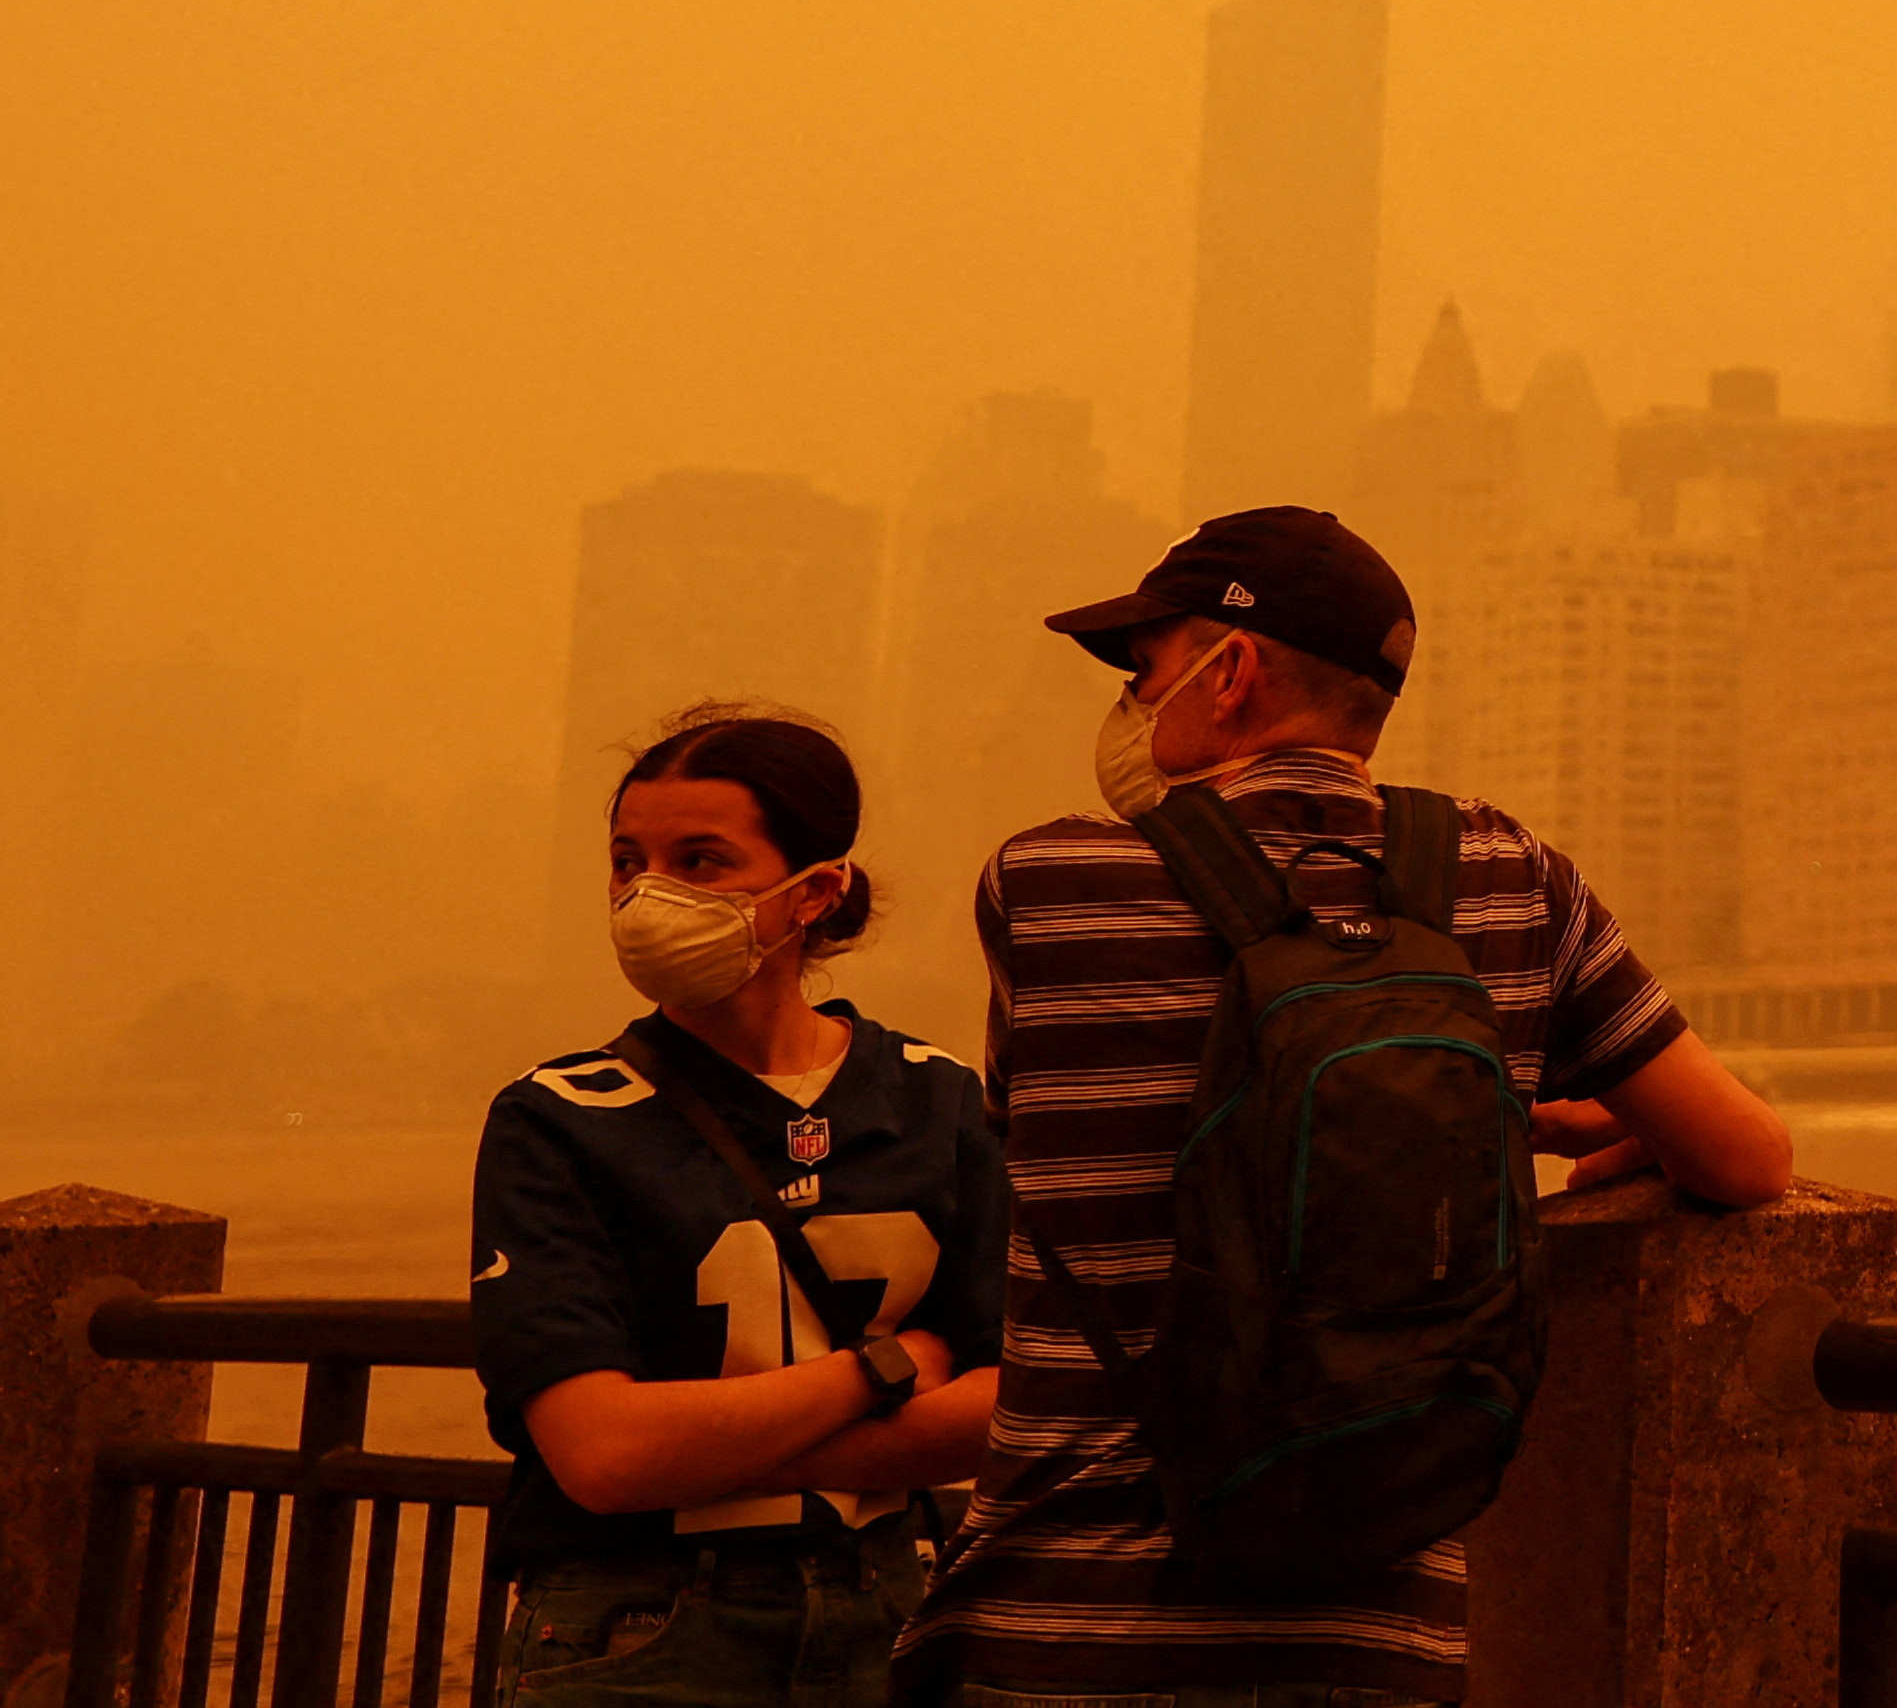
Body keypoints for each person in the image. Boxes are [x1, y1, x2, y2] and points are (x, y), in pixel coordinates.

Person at [916, 505, 1797, 1707]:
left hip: (1066, 1623)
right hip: (1377, 1642)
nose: (1130, 704)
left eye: (1145, 670)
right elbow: (1749, 1159)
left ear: (1228, 671)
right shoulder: (1513, 878)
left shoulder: (1047, 882)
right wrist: (1604, 1121)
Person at [472, 706, 1011, 1708]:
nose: (646, 893)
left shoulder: (939, 1105)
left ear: (813, 893)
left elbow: (1016, 1410)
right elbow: (602, 1454)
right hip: (634, 1632)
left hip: (887, 1614)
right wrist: (889, 1368)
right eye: (627, 859)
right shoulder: (559, 1118)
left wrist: (708, 1449)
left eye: (701, 859)